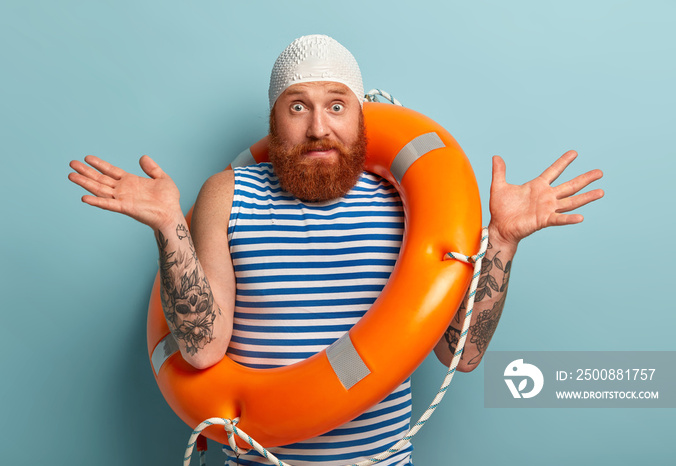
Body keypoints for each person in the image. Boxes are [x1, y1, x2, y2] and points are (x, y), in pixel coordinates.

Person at [68, 35, 603, 465]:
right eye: (298, 106)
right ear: (274, 120)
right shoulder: (227, 193)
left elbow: (460, 355)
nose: (318, 128)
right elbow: (203, 350)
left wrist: (503, 241)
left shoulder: (405, 203)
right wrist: (168, 225)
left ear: (362, 118)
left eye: (336, 105)